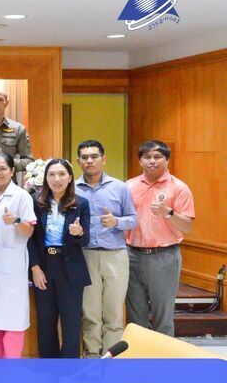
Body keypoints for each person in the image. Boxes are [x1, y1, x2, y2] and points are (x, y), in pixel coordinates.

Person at [125, 140, 195, 337]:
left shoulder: (179, 187)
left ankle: (163, 356)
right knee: (134, 314)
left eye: (157, 157)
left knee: (162, 314)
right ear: (140, 161)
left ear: (167, 160)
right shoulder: (129, 186)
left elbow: (186, 226)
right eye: (147, 157)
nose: (152, 161)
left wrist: (169, 213)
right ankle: (137, 354)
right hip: (132, 254)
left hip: (164, 256)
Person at [75, 140, 138, 358]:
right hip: (85, 256)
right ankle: (92, 358)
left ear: (103, 159)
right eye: (84, 157)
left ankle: (112, 361)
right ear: (78, 161)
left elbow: (133, 219)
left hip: (115, 255)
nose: (89, 161)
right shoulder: (72, 189)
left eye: (94, 156)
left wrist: (116, 222)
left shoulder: (119, 187)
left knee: (114, 313)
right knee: (90, 313)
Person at [29, 159, 92, 358]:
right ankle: (49, 367)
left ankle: (69, 367)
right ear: (45, 178)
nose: (57, 179)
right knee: (45, 320)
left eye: (62, 174)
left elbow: (85, 240)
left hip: (70, 267)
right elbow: (31, 238)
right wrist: (35, 267)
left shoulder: (81, 204)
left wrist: (79, 233)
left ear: (70, 177)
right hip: (44, 265)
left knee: (71, 322)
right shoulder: (36, 202)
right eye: (52, 174)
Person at [0, 152, 36, 358]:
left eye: (3, 169)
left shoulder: (22, 196)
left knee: (13, 317)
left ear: (12, 171)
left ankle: (11, 366)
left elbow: (29, 231)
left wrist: (16, 221)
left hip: (12, 265)